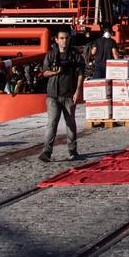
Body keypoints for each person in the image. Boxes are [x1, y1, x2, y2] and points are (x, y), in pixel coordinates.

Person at [39, 30, 84, 162]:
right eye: (62, 38)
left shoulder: (75, 54)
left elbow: (81, 73)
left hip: (69, 94)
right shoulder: (51, 54)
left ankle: (73, 150)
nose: (64, 40)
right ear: (56, 40)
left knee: (70, 123)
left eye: (66, 38)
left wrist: (78, 91)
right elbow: (44, 72)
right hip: (53, 95)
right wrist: (54, 72)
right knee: (52, 123)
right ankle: (46, 152)